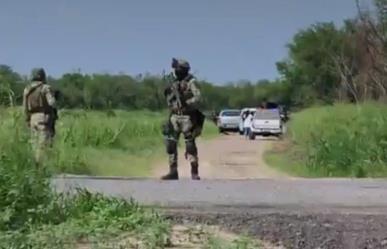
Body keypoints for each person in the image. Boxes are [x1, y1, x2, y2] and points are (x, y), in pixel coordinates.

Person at [161, 58, 203, 180]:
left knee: (190, 144)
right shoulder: (173, 82)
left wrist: (187, 102)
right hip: (174, 115)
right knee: (170, 144)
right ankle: (173, 171)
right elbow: (168, 97)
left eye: (178, 69)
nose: (176, 71)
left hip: (187, 117)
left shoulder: (191, 82)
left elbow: (198, 97)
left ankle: (194, 171)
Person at [23, 68, 57, 163]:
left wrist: (27, 119)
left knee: (34, 144)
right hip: (44, 117)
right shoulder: (45, 88)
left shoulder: (27, 89)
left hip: (32, 118)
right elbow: (52, 103)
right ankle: (40, 166)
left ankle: (35, 165)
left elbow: (25, 107)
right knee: (43, 144)